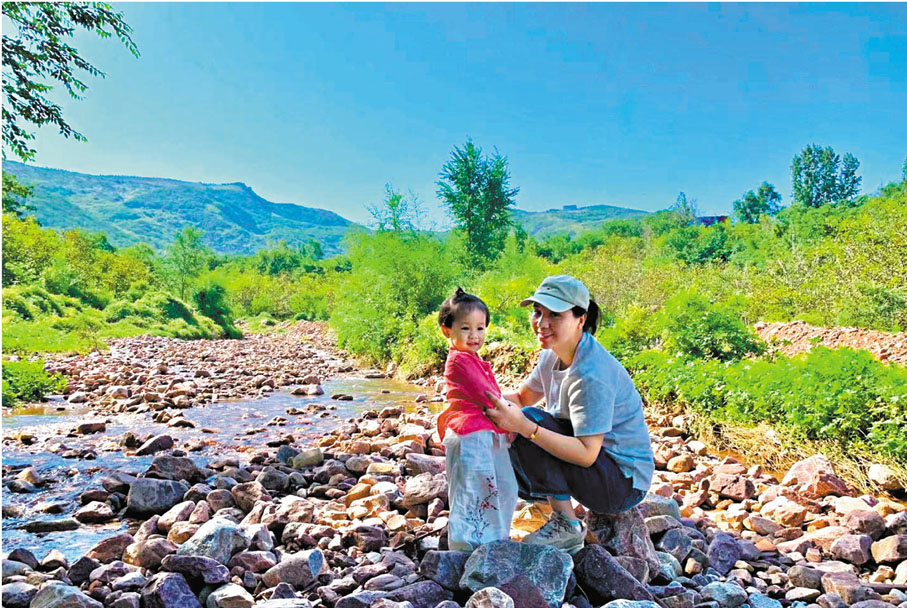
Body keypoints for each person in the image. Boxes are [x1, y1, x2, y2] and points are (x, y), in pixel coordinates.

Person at [484, 274, 654, 555]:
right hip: (597, 469)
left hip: (621, 484)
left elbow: (587, 453)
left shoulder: (590, 374)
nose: (542, 323)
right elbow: (522, 397)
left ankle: (567, 524)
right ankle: (548, 505)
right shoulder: (553, 354)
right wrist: (478, 402)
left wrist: (524, 426)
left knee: (529, 423)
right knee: (516, 421)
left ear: (581, 319)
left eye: (554, 315)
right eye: (538, 313)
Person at [436, 288, 518, 552]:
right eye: (465, 328)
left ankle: (493, 540)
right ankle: (467, 547)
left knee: (499, 486)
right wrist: (512, 419)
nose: (474, 336)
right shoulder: (458, 361)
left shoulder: (470, 357)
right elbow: (487, 395)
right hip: (471, 436)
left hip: (484, 433)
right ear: (447, 330)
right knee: (474, 489)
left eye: (480, 328)